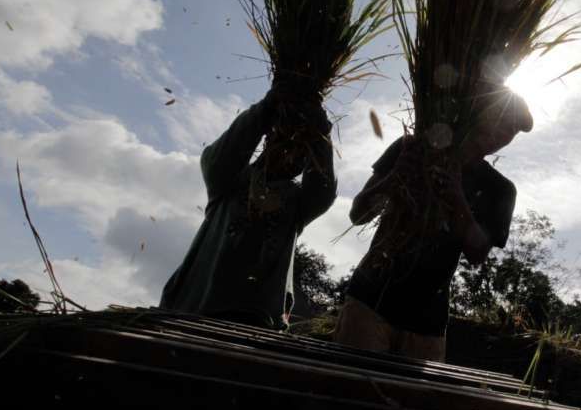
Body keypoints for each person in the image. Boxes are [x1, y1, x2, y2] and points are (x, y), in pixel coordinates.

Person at [334, 87, 534, 361]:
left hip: (427, 322)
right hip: (369, 302)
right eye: (501, 118)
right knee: (349, 383)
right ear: (479, 110)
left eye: (512, 130)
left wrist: (456, 198)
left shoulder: (499, 189)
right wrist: (394, 178)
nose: (504, 133)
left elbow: (477, 254)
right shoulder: (413, 148)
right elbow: (358, 214)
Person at [160, 88, 336, 329]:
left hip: (258, 322)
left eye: (302, 152)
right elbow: (218, 158)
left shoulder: (297, 202)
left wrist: (320, 136)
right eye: (285, 143)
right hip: (197, 308)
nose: (292, 155)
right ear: (268, 141)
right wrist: (266, 107)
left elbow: (322, 191)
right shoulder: (231, 180)